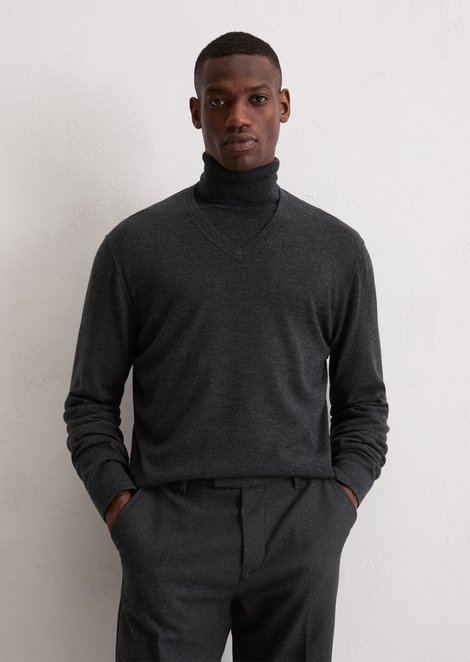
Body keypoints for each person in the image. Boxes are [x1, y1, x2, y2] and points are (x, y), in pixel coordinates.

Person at [63, 31, 389, 662]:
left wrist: (336, 508)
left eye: (256, 98)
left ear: (283, 105)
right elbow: (89, 402)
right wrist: (127, 516)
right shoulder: (135, 247)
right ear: (196, 112)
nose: (238, 116)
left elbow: (364, 403)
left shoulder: (337, 250)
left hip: (300, 530)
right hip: (171, 531)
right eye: (218, 101)